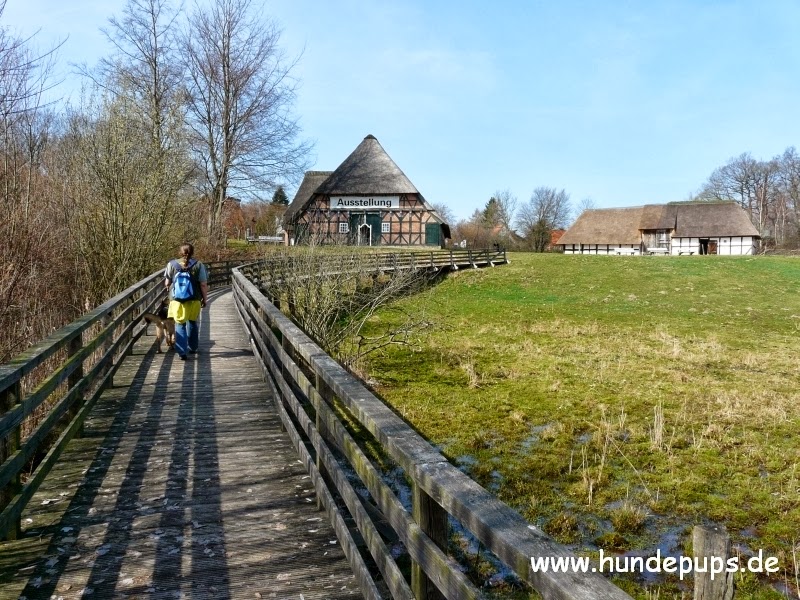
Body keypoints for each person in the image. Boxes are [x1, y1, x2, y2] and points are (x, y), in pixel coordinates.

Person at [163, 243, 209, 360]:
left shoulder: (172, 264)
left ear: (180, 252)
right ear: (192, 252)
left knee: (180, 324)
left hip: (177, 301)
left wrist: (170, 288)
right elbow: (203, 284)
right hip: (194, 299)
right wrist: (205, 298)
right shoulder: (199, 265)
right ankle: (193, 347)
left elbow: (167, 283)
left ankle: (182, 352)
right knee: (192, 322)